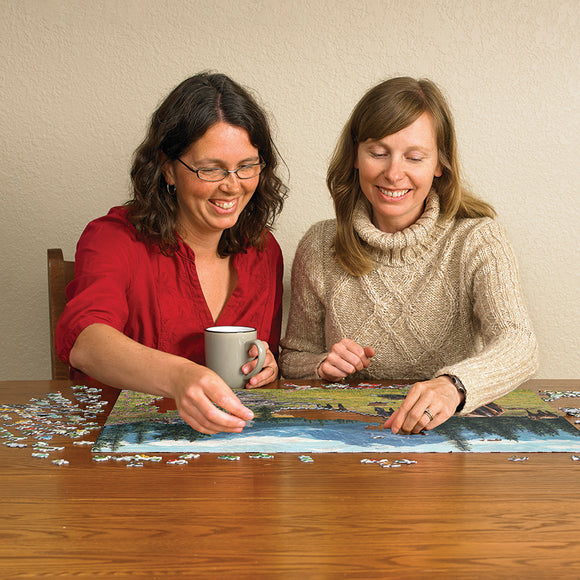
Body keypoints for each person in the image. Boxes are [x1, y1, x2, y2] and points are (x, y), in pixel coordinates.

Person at [280, 76, 538, 435]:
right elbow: (292, 359)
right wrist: (322, 365)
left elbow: (519, 342)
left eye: (414, 157)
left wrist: (454, 386)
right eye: (378, 153)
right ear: (356, 155)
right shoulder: (319, 244)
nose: (393, 173)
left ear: (439, 164)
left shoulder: (478, 237)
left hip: (448, 434)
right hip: (347, 437)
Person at [56, 72, 287, 434]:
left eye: (246, 166)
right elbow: (86, 342)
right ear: (167, 168)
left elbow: (263, 360)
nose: (232, 185)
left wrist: (268, 364)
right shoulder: (113, 239)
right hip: (124, 456)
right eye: (209, 169)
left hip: (234, 456)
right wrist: (181, 377)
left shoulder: (264, 251)